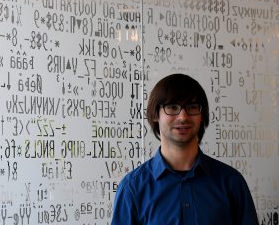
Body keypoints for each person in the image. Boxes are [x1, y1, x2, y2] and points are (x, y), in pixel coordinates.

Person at [111, 73, 259, 225]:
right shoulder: (133, 188)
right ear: (155, 115)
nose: (183, 116)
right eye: (173, 107)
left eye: (192, 107)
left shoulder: (231, 183)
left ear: (202, 116)